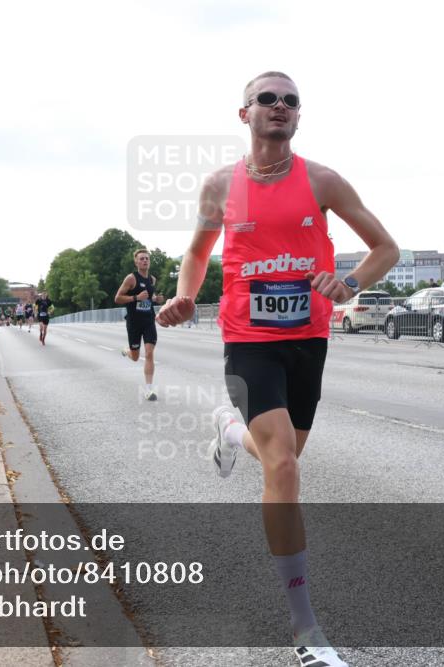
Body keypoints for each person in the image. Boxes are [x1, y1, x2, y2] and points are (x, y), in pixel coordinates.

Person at [156, 71, 399, 667]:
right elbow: (196, 251)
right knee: (284, 466)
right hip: (248, 338)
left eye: (291, 101)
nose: (281, 107)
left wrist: (348, 284)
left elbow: (385, 248)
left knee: (283, 455)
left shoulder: (322, 180)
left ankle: (228, 429)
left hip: (308, 338)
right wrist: (186, 294)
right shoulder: (220, 184)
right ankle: (305, 632)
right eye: (268, 98)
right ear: (244, 114)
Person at [115, 248, 165, 400]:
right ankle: (127, 350)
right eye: (142, 258)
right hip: (134, 322)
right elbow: (117, 298)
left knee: (149, 353)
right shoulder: (131, 278)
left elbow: (148, 296)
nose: (145, 261)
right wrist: (135, 298)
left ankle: (149, 389)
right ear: (136, 261)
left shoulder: (152, 280)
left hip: (149, 320)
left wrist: (155, 299)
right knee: (136, 357)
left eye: (147, 259)